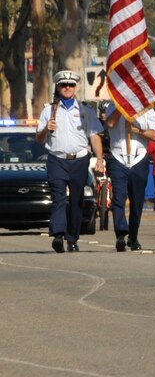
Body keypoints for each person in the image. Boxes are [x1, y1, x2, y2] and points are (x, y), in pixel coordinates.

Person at [36, 70, 105, 253]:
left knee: (76, 200)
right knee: (59, 198)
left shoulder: (86, 110)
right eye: (64, 85)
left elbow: (94, 136)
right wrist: (46, 129)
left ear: (75, 87)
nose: (68, 88)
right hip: (57, 159)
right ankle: (58, 235)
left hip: (79, 160)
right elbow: (40, 139)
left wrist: (99, 159)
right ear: (57, 87)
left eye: (71, 85)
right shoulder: (48, 110)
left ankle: (72, 238)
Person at [104, 103, 155, 251]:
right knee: (119, 197)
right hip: (117, 157)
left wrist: (138, 130)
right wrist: (121, 107)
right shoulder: (112, 106)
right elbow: (109, 123)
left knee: (137, 201)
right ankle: (121, 234)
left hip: (139, 158)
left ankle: (133, 237)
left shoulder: (147, 109)